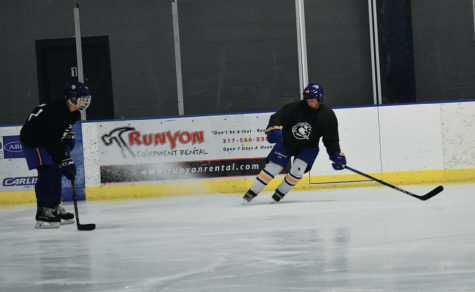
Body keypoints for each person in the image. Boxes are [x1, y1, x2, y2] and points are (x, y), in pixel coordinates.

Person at [243, 83, 346, 203]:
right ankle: (249, 196)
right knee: (273, 168)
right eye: (308, 101)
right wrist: (273, 126)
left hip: (309, 148)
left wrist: (336, 155)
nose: (310, 104)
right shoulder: (295, 107)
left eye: (313, 101)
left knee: (298, 169)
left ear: (320, 99)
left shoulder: (328, 116)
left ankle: (277, 197)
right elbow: (276, 117)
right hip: (286, 143)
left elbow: (331, 139)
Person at [20, 82, 91, 228]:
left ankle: (54, 207)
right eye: (81, 98)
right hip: (34, 141)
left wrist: (67, 137)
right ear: (71, 98)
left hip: (46, 139)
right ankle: (43, 210)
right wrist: (65, 159)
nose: (84, 101)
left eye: (86, 98)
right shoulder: (57, 112)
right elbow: (51, 141)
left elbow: (61, 131)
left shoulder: (74, 112)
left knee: (57, 170)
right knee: (48, 171)